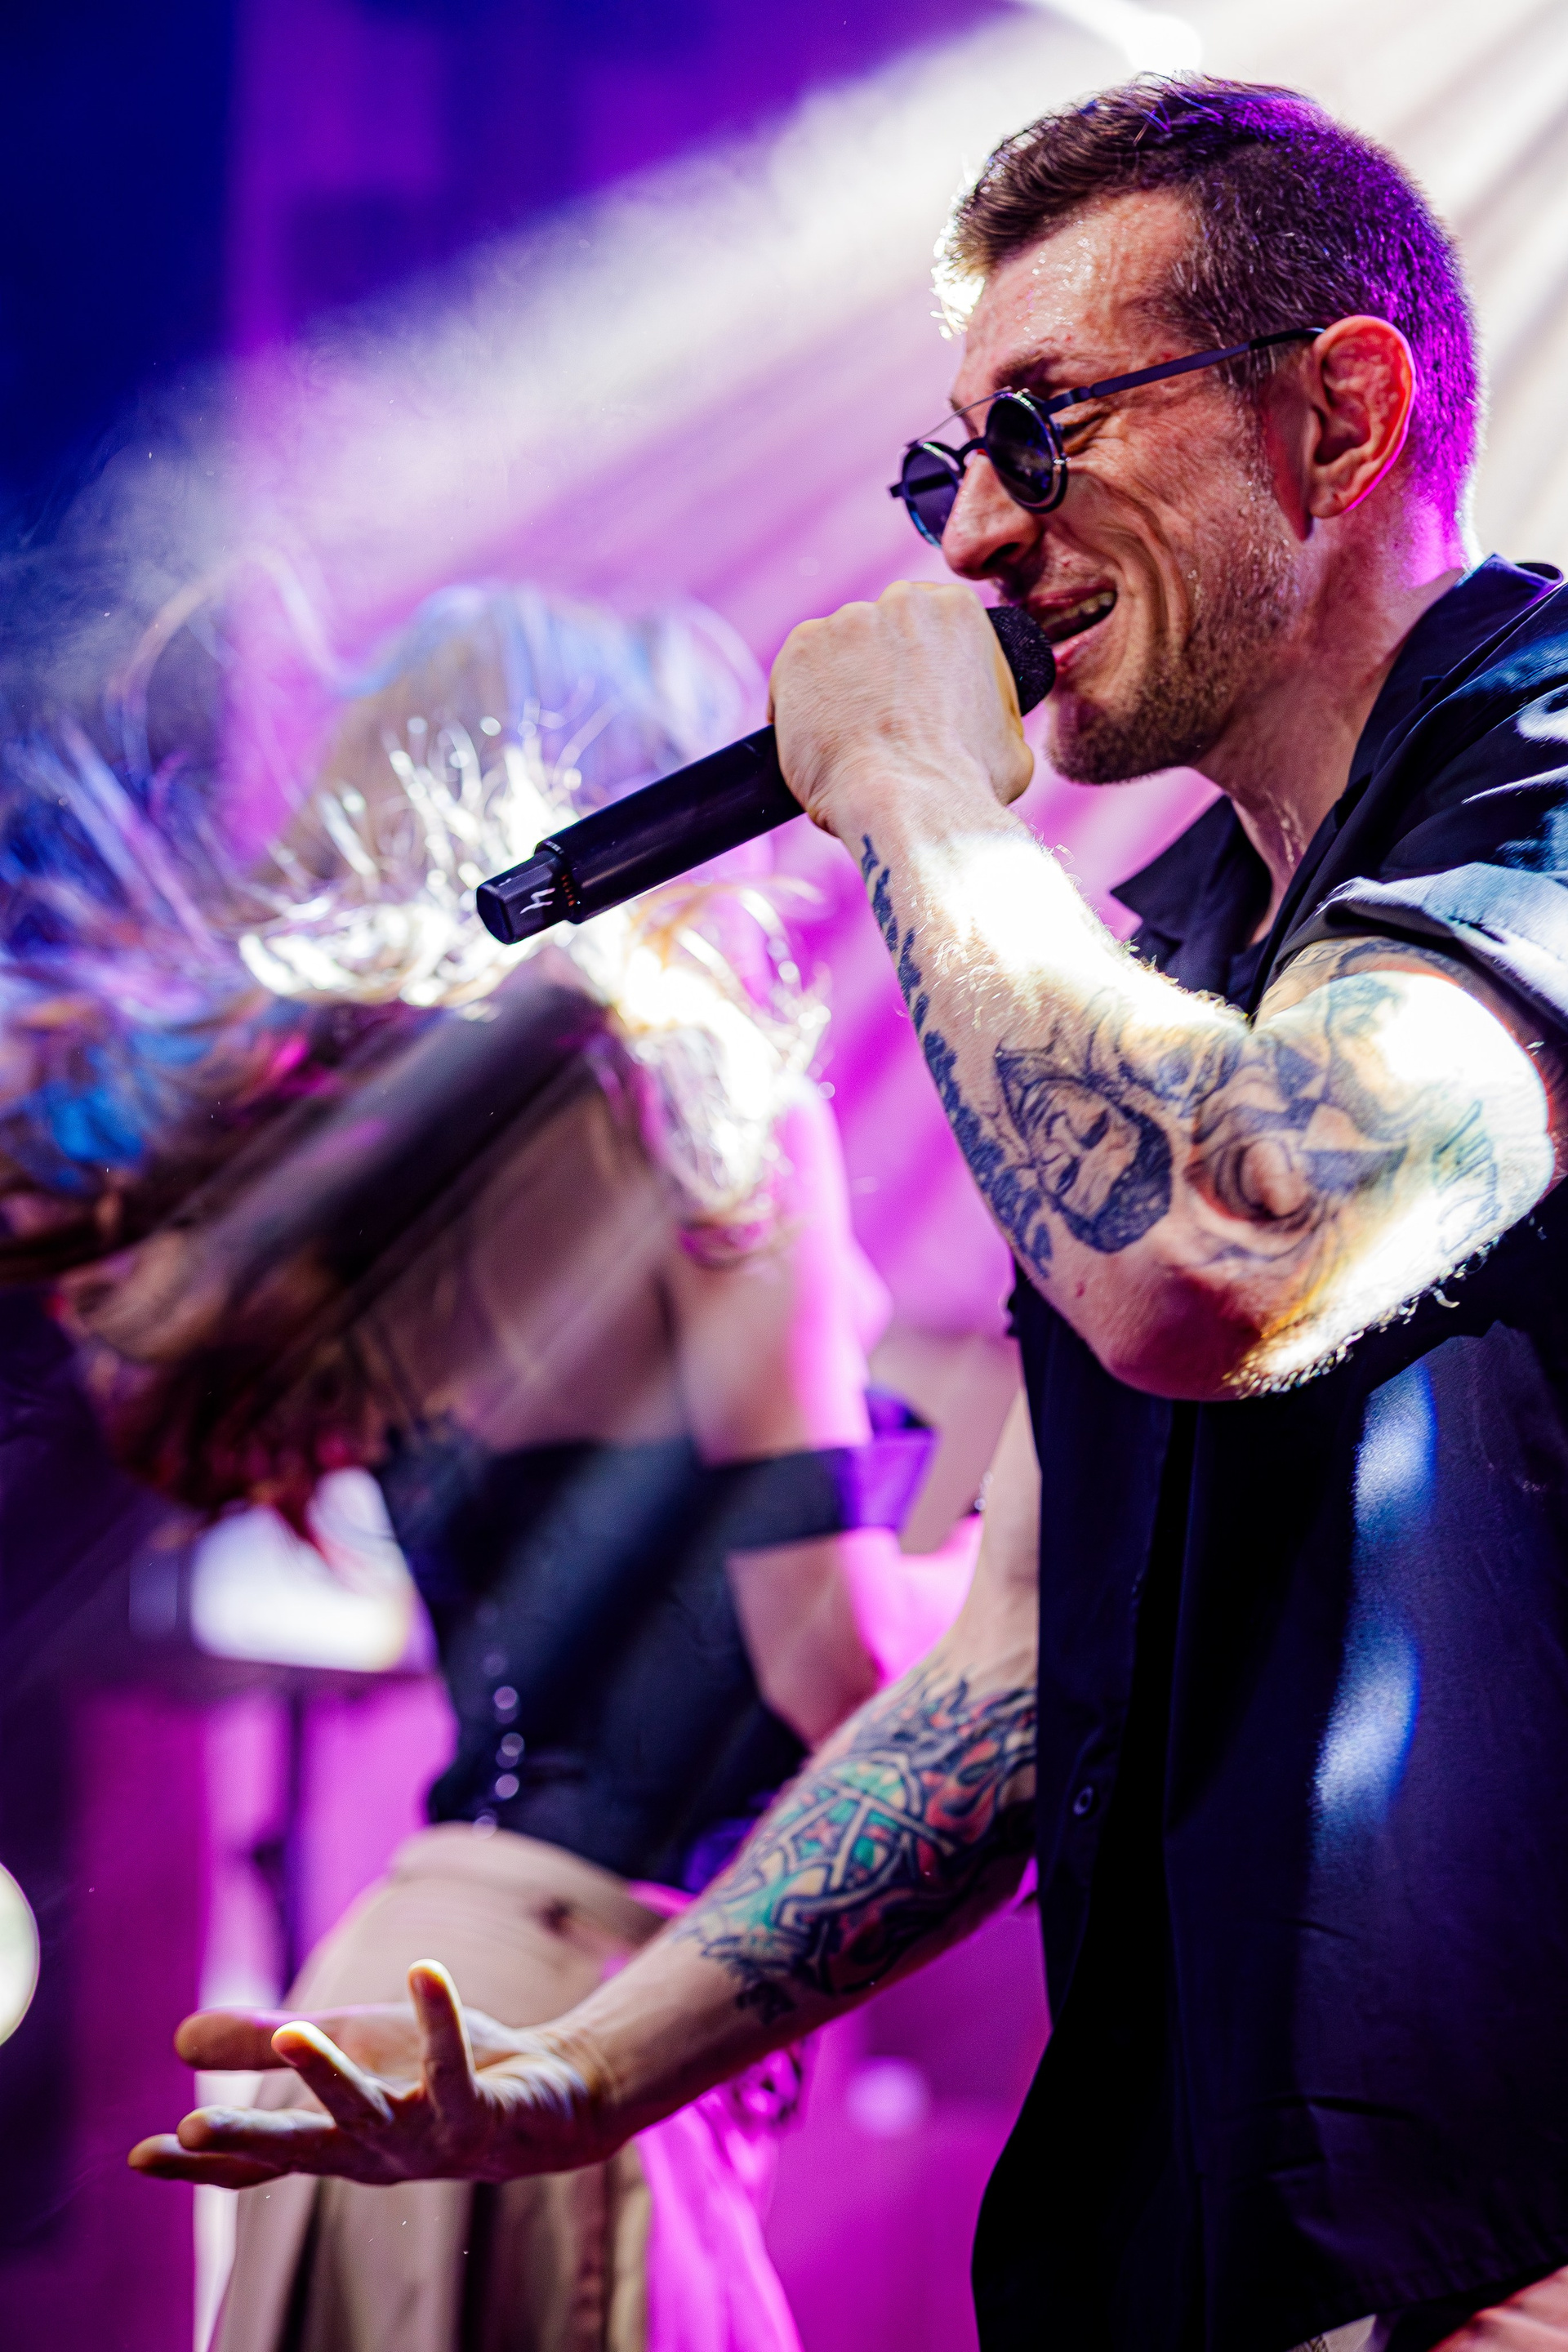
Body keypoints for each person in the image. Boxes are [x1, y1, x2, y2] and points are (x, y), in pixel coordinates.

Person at [133, 74, 1568, 2352]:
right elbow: (1007, 1671)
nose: (975, 540)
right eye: (953, 464)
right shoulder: (1181, 949)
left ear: (1340, 415)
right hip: (1206, 2248)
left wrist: (906, 782)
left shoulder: (1546, 784)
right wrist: (587, 2074)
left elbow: (1232, 1251)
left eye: (1046, 429)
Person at [2, 577, 941, 2350]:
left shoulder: (386, 1187)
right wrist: (1033, 1596)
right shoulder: (714, 1111)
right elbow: (837, 1666)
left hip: (417, 1989)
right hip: (559, 2022)